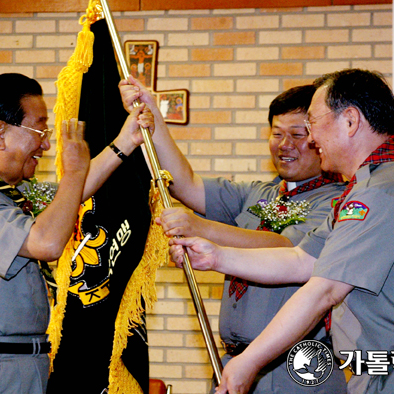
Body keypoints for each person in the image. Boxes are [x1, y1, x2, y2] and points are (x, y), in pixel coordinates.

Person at [169, 69, 394, 394]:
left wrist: (249, 361)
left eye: (312, 123)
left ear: (350, 121)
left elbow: (324, 289)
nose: (312, 138)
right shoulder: (368, 187)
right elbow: (301, 260)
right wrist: (215, 257)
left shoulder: (385, 189)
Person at [0, 73, 152, 394]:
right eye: (39, 130)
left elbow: (66, 201)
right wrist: (74, 170)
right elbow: (46, 242)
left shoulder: (6, 193)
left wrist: (125, 142)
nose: (46, 144)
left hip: (17, 367)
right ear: (0, 132)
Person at [120, 77, 347, 393]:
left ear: (319, 137)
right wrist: (154, 114)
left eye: (298, 135)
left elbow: (287, 249)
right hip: (233, 361)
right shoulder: (256, 192)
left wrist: (202, 228)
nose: (285, 145)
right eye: (277, 133)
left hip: (297, 368)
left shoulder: (338, 200)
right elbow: (185, 184)